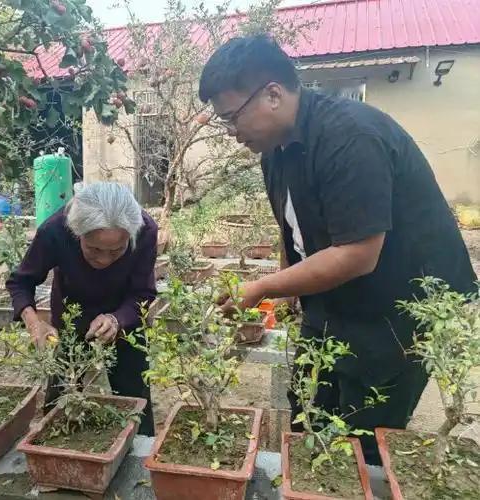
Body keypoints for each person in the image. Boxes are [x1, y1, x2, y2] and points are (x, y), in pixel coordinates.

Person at [199, 35, 477, 464]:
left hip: (396, 311)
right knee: (309, 413)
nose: (232, 132)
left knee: (364, 433)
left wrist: (262, 287)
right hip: (334, 302)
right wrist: (290, 287)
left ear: (273, 94)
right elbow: (293, 225)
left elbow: (357, 253)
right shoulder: (274, 151)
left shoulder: (350, 135)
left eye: (233, 117)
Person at [6, 182, 157, 436]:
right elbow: (21, 282)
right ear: (77, 233)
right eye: (94, 249)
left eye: (116, 250)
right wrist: (34, 323)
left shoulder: (144, 231)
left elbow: (143, 292)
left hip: (125, 318)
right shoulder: (55, 230)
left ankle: (139, 453)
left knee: (135, 397)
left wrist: (117, 319)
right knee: (62, 397)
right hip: (71, 315)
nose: (104, 259)